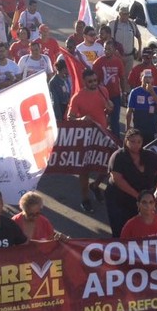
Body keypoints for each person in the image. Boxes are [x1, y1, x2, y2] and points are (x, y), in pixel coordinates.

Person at [104, 128, 157, 237]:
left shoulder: (148, 155)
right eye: (132, 141)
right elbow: (117, 179)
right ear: (126, 141)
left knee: (139, 230)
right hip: (119, 199)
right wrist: (138, 196)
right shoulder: (118, 156)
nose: (136, 145)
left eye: (139, 142)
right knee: (120, 230)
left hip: (141, 200)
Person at [67, 68, 114, 212]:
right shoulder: (77, 97)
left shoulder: (103, 91)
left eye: (95, 80)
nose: (94, 83)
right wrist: (80, 118)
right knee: (85, 170)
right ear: (84, 82)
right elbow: (70, 117)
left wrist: (109, 110)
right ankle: (85, 199)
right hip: (86, 138)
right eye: (90, 81)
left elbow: (107, 112)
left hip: (102, 134)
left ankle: (95, 185)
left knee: (108, 164)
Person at [93, 40, 127, 138]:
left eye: (109, 49)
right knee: (101, 120)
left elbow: (122, 78)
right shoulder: (98, 62)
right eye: (105, 49)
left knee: (115, 120)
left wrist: (124, 93)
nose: (106, 51)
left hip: (115, 95)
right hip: (102, 96)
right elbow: (94, 81)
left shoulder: (118, 61)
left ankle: (116, 142)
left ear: (114, 50)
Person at [125, 68, 157, 144]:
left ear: (152, 79)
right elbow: (129, 111)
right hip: (139, 128)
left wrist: (152, 92)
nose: (147, 79)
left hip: (153, 128)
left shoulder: (156, 90)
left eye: (149, 77)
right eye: (145, 77)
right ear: (141, 78)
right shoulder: (135, 92)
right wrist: (128, 126)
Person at [112, 7, 140, 73]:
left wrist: (139, 50)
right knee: (117, 76)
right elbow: (108, 38)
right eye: (123, 14)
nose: (125, 16)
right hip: (117, 56)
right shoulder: (113, 24)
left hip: (129, 57)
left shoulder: (132, 24)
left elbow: (138, 36)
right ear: (119, 14)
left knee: (126, 78)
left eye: (127, 14)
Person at [48, 57, 71, 123]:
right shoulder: (54, 82)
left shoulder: (66, 79)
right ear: (64, 69)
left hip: (67, 109)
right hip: (61, 109)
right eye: (67, 68)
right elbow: (55, 101)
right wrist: (58, 118)